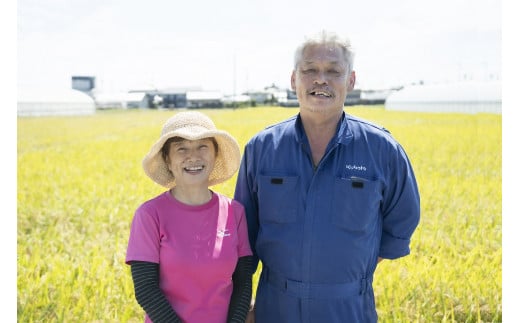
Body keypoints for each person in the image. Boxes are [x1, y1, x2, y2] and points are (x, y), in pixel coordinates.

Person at [234, 30, 420, 323]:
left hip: (349, 309)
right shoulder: (262, 148)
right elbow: (242, 238)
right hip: (275, 308)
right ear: (294, 79)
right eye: (310, 70)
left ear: (351, 80)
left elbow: (401, 222)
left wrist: (342, 279)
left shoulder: (382, 149)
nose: (321, 79)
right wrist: (243, 307)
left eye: (334, 71)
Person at [126, 111, 254, 323]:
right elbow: (146, 290)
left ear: (215, 156)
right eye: (181, 148)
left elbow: (243, 282)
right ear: (167, 159)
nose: (193, 156)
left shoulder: (235, 212)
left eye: (202, 147)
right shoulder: (150, 215)